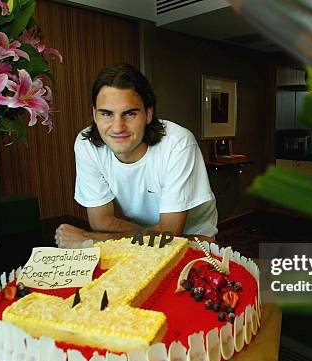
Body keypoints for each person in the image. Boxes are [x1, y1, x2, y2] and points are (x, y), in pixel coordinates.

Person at [55, 63, 217, 248]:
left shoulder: (178, 144)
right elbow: (100, 222)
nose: (117, 127)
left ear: (149, 114)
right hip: (149, 238)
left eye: (129, 114)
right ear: (94, 114)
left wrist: (91, 239)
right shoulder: (87, 145)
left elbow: (170, 234)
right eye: (106, 113)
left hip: (193, 240)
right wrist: (150, 236)